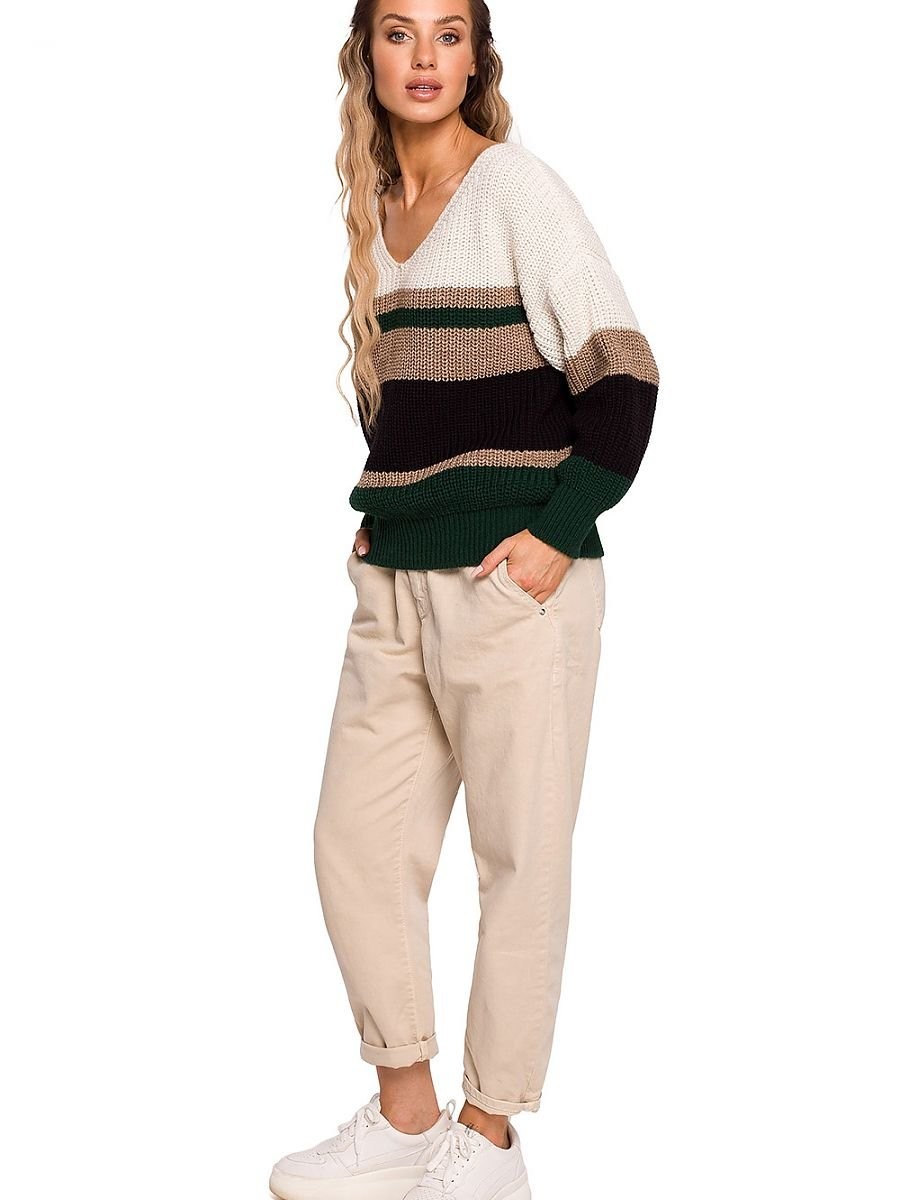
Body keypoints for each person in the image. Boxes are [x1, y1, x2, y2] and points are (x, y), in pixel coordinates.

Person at [268, 2, 659, 1197]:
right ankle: (405, 1118)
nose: (425, 58)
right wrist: (389, 505)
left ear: (479, 56)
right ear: (366, 55)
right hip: (396, 581)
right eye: (400, 32)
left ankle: (487, 1142)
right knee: (354, 843)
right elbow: (412, 402)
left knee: (517, 858)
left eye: (449, 33)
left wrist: (556, 532)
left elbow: (624, 371)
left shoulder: (514, 191)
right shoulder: (379, 209)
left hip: (513, 587)